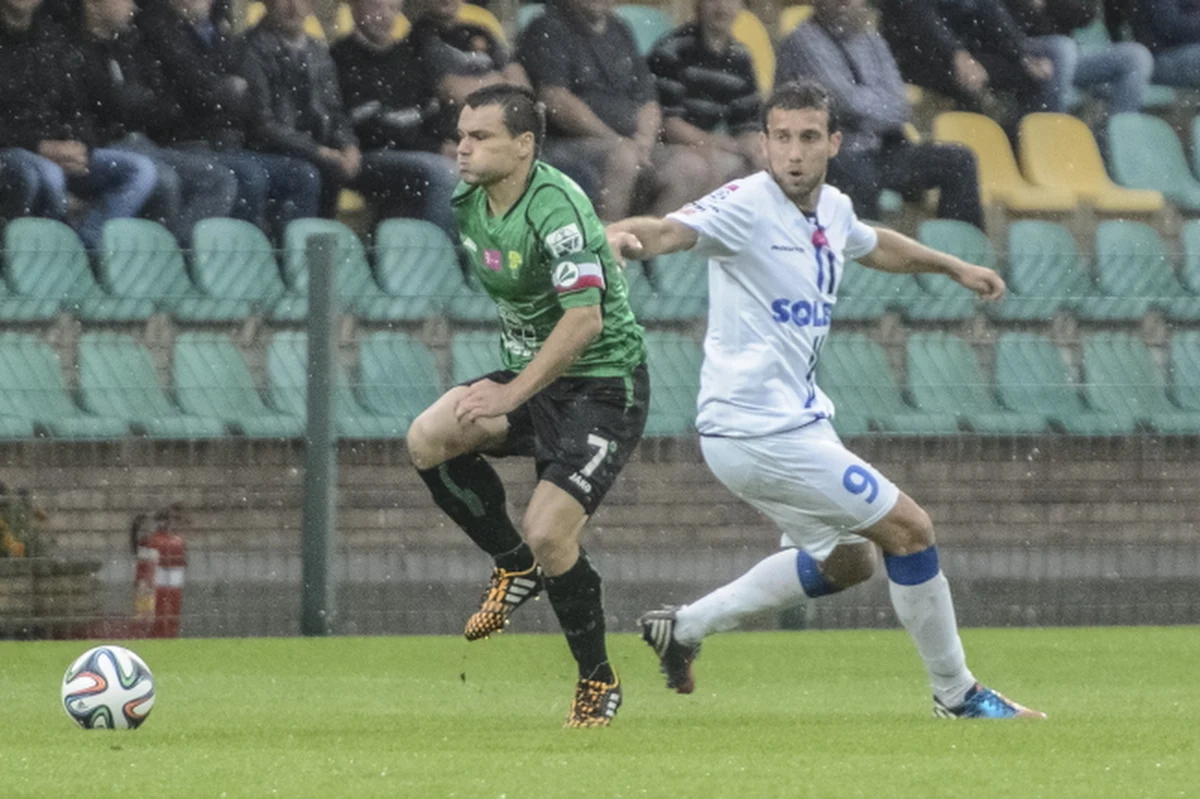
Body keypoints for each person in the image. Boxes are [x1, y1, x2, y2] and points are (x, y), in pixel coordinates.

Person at [606, 80, 1046, 720]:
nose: (793, 152)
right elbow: (668, 232)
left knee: (848, 562)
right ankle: (957, 694)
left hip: (796, 426)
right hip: (755, 430)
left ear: (832, 143)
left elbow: (874, 243)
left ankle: (685, 626)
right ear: (763, 143)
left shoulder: (833, 209)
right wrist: (624, 236)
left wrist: (952, 266)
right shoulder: (745, 204)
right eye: (781, 137)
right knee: (911, 529)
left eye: (808, 137)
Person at [405, 84, 648, 728]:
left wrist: (511, 393)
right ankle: (514, 567)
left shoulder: (554, 203)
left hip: (602, 384)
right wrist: (606, 249)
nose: (464, 147)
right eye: (462, 134)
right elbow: (560, 263)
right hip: (537, 378)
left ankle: (597, 679)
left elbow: (585, 322)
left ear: (524, 146)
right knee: (429, 437)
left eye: (481, 137)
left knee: (551, 531)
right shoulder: (469, 199)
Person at [776, 0, 983, 227]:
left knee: (958, 162)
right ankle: (863, 259)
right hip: (833, 152)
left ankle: (961, 257)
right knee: (857, 174)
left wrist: (876, 113)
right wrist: (883, 111)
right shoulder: (803, 42)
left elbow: (900, 103)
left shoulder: (870, 39)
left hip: (881, 149)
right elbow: (845, 104)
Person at [138, 0, 321, 239]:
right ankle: (236, 259)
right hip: (189, 142)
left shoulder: (222, 34)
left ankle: (285, 262)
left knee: (303, 175)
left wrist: (222, 93)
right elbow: (197, 93)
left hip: (231, 142)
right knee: (249, 176)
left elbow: (247, 97)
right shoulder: (161, 34)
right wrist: (224, 92)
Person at [517, 0, 711, 220]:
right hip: (567, 143)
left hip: (629, 143)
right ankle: (607, 248)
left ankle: (645, 247)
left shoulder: (620, 29)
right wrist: (614, 139)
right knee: (624, 158)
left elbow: (649, 102)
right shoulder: (547, 26)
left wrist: (645, 142)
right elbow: (556, 100)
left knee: (691, 166)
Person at [74, 0, 240, 243]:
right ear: (92, 6)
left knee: (220, 179)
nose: (132, 5)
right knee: (165, 181)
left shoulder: (130, 46)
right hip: (102, 145)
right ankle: (158, 260)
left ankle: (172, 259)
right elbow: (105, 108)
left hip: (141, 141)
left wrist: (135, 104)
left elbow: (157, 104)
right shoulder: (74, 51)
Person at [0, 0, 157, 248]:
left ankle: (80, 248)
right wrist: (38, 146)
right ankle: (33, 253)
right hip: (12, 152)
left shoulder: (51, 38)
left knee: (140, 171)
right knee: (48, 176)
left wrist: (80, 147)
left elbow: (76, 106)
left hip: (59, 150)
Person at [330, 0, 464, 238]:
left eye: (393, 8)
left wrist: (451, 142)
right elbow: (371, 127)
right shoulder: (341, 57)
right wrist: (434, 147)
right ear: (355, 8)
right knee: (443, 173)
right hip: (366, 156)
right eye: (376, 7)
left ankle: (477, 263)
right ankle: (436, 258)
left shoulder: (408, 55)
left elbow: (433, 111)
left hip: (414, 154)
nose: (385, 15)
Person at [241, 0, 360, 217]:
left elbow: (335, 110)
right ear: (268, 3)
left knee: (338, 169)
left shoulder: (318, 51)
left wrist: (348, 145)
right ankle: (299, 246)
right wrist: (318, 151)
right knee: (313, 174)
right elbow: (262, 125)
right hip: (270, 151)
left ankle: (321, 244)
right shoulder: (251, 49)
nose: (295, 7)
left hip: (318, 152)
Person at [878, 0, 1055, 136]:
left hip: (960, 50)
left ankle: (1016, 146)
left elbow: (992, 11)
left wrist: (1021, 53)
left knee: (1030, 76)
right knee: (966, 81)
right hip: (913, 56)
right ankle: (965, 145)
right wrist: (956, 54)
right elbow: (922, 19)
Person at [647, 0, 763, 187]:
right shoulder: (672, 50)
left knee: (761, 170)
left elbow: (747, 124)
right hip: (667, 150)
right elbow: (670, 125)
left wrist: (754, 150)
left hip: (709, 148)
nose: (722, 6)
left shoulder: (741, 57)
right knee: (706, 166)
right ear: (697, 3)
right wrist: (728, 145)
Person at [1004, 0, 1152, 119]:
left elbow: (1087, 13)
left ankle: (1112, 141)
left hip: (1068, 54)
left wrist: (1049, 3)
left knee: (1137, 56)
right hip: (1020, 48)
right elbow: (1001, 19)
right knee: (1063, 48)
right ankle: (1052, 134)